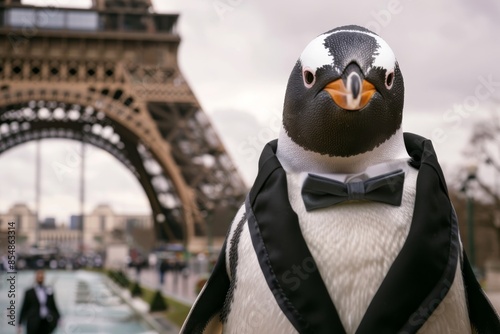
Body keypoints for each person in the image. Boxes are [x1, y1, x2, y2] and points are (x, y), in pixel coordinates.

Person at [18, 269, 60, 334]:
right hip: (33, 322)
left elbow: (53, 305)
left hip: (46, 322)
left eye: (42, 276)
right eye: (39, 276)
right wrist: (19, 323)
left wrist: (59, 318)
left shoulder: (49, 290)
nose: (40, 277)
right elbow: (24, 308)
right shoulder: (29, 292)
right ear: (35, 277)